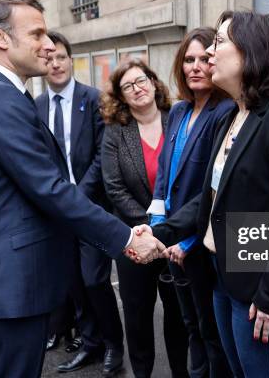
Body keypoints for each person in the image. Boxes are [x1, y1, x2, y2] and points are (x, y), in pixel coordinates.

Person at [0, 0, 163, 378]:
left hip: (14, 279)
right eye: (37, 33)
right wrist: (127, 239)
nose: (49, 45)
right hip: (8, 281)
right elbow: (48, 188)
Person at [143, 11, 269, 378]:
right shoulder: (230, 116)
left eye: (219, 42)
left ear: (251, 53)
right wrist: (159, 233)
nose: (209, 53)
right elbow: (209, 201)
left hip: (263, 287)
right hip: (222, 275)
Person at [35, 31, 124, 375]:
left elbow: (104, 157)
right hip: (57, 213)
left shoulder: (95, 100)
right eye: (49, 59)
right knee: (72, 281)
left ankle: (114, 344)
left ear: (71, 60)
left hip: (90, 207)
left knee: (94, 280)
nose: (55, 64)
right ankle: (90, 343)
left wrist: (77, 197)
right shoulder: (36, 106)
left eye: (61, 57)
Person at [146, 27, 234, 378]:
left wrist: (185, 240)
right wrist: (158, 231)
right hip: (172, 242)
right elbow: (164, 177)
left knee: (210, 330)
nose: (196, 67)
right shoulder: (179, 111)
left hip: (200, 242)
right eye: (189, 59)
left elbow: (215, 188)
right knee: (189, 324)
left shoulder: (224, 111)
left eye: (204, 59)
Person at [100, 59, 189, 378]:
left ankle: (181, 372)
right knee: (137, 315)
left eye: (141, 81)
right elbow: (114, 188)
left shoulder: (178, 119)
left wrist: (168, 230)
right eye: (127, 86)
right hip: (134, 238)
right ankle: (142, 372)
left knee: (178, 315)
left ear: (153, 83)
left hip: (177, 237)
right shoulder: (115, 132)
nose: (137, 89)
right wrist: (151, 230)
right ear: (121, 97)